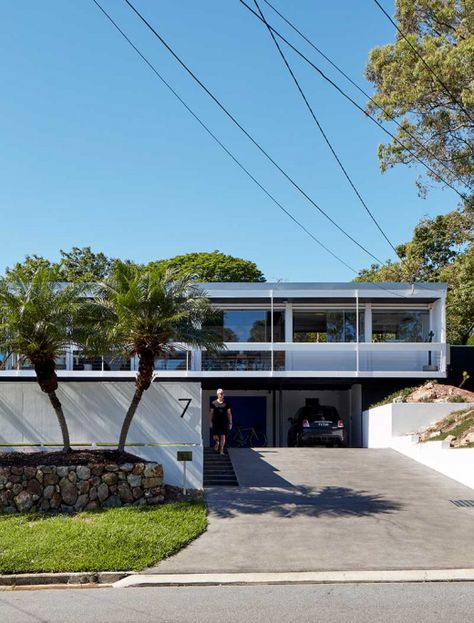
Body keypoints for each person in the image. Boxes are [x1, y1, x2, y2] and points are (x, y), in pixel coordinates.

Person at [209, 388, 232, 455]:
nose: (222, 395)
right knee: (215, 436)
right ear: (217, 394)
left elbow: (229, 413)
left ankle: (221, 450)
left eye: (222, 393)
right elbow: (211, 413)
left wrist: (230, 422)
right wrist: (210, 421)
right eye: (220, 393)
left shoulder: (226, 403)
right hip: (216, 422)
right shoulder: (213, 403)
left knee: (223, 436)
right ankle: (217, 442)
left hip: (224, 422)